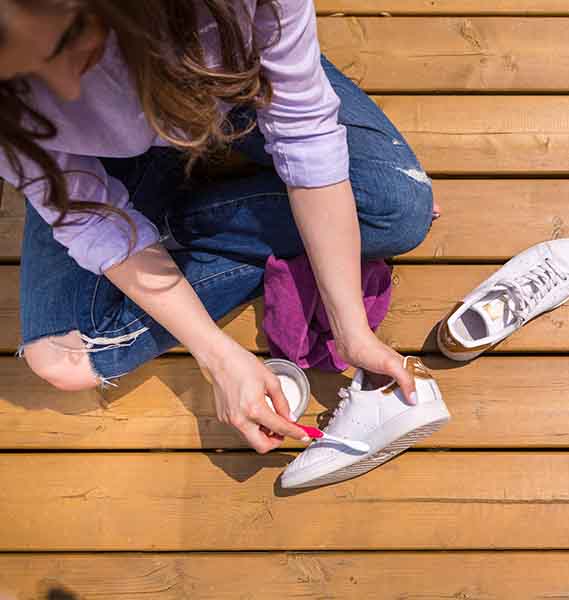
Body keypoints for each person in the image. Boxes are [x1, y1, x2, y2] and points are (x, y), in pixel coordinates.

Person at [0, 0, 438, 453]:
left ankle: (169, 226)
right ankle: (173, 226)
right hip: (104, 163)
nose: (67, 93)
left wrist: (353, 331)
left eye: (70, 47)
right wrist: (219, 355)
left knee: (397, 207)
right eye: (20, 81)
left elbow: (304, 133)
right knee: (61, 359)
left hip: (228, 80)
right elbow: (87, 216)